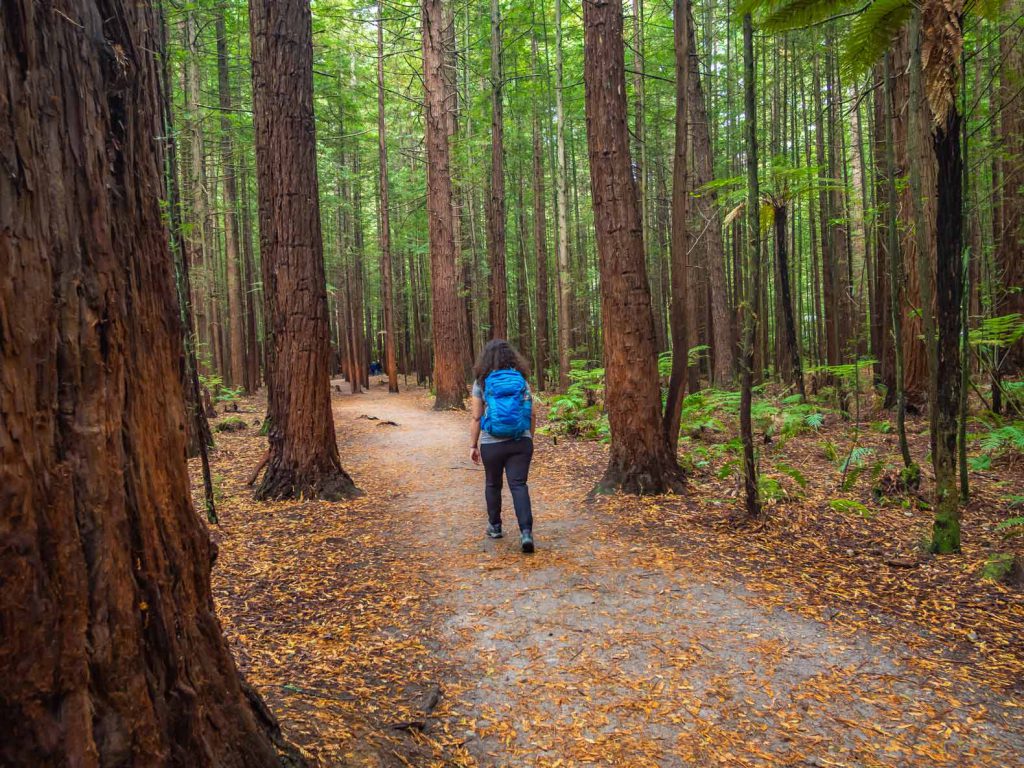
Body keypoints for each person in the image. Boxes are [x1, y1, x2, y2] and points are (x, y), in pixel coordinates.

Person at [469, 339, 537, 553]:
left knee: (492, 484)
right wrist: (529, 439)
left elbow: (476, 417)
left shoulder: (481, 382)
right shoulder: (522, 381)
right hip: (520, 440)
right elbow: (532, 413)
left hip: (492, 443)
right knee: (519, 485)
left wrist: (473, 445)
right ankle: (526, 532)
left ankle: (495, 526)